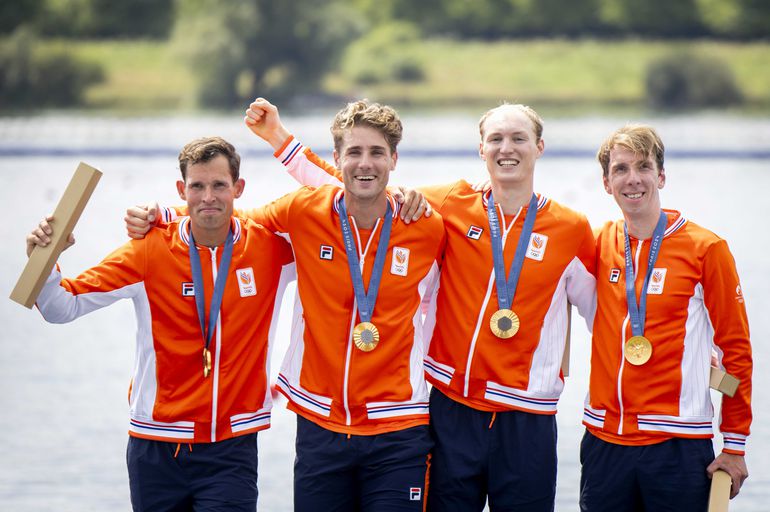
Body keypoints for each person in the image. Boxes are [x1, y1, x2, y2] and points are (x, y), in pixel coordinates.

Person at [245, 98, 597, 511]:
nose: (507, 148)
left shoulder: (572, 228)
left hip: (527, 414)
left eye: (519, 138)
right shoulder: (446, 205)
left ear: (539, 146)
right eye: (496, 139)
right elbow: (352, 186)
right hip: (451, 405)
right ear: (480, 149)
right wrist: (278, 138)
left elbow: (611, 309)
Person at [131, 100, 446, 511]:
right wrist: (165, 215)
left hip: (399, 425)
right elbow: (233, 219)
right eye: (353, 152)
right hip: (319, 423)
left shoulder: (427, 227)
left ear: (394, 160)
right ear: (337, 158)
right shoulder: (303, 211)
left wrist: (280, 138)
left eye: (376, 153)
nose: (364, 163)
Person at [27, 137, 295, 511]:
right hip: (154, 447)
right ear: (181, 190)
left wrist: (395, 197)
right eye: (197, 186)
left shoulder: (271, 250)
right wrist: (44, 259)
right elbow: (61, 307)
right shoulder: (150, 251)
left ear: (238, 188)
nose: (208, 197)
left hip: (231, 447)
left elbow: (335, 220)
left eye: (219, 185)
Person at [580, 124, 752, 511]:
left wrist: (735, 443)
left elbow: (736, 351)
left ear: (661, 176)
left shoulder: (706, 249)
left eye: (643, 167)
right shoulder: (599, 242)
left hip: (678, 444)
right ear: (607, 183)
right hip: (605, 441)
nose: (633, 179)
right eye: (621, 169)